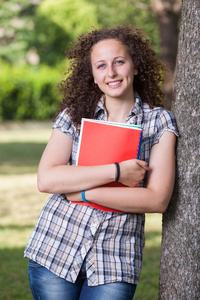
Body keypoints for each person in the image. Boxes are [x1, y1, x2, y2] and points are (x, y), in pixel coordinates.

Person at [24, 25, 178, 300]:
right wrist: (117, 171)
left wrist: (81, 191)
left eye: (119, 62)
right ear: (93, 76)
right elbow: (47, 179)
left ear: (136, 66)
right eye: (101, 66)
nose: (112, 73)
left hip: (115, 261)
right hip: (55, 249)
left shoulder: (159, 121)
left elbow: (156, 200)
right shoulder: (73, 115)